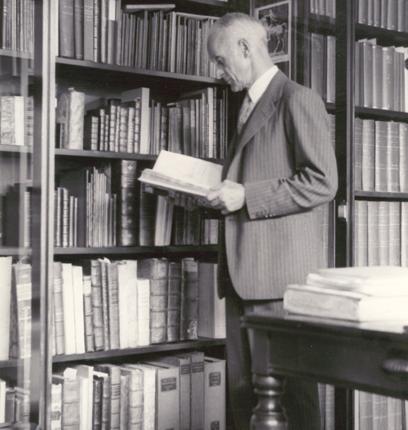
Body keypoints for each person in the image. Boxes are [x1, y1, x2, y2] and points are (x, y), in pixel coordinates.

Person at [205, 12, 338, 430]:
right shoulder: (248, 105)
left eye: (221, 60)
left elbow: (323, 183)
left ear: (246, 49)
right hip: (244, 276)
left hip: (278, 283)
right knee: (248, 399)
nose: (218, 71)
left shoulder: (297, 99)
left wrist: (246, 195)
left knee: (292, 403)